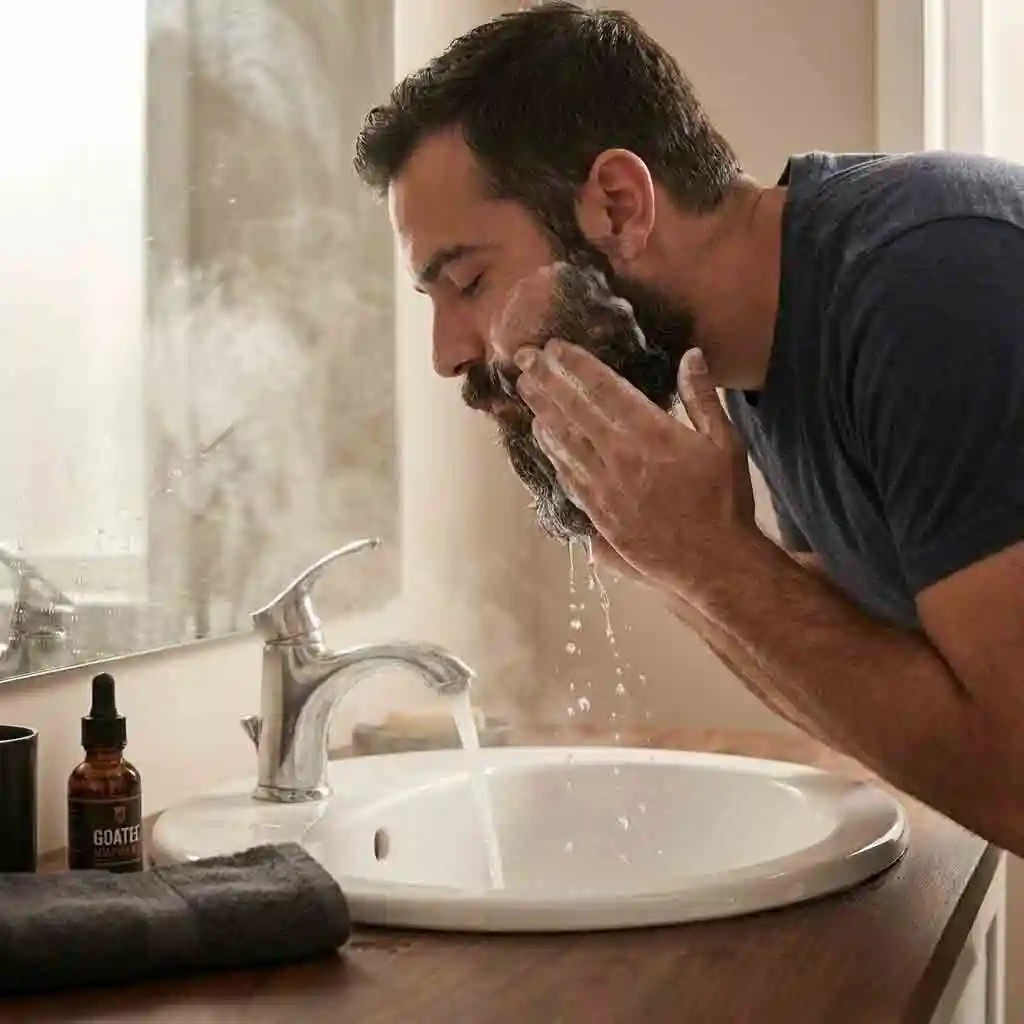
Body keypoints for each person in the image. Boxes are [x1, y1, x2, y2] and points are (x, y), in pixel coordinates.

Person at [354, 2, 1024, 856]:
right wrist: (679, 561)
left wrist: (712, 559)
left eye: (470, 282)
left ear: (620, 206)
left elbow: (1014, 781)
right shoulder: (751, 355)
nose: (449, 354)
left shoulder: (931, 280)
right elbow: (863, 665)